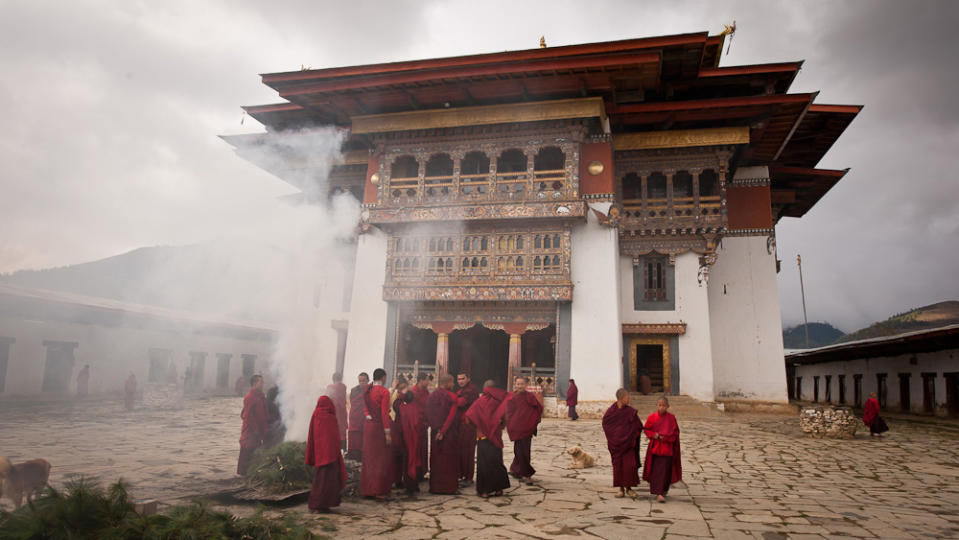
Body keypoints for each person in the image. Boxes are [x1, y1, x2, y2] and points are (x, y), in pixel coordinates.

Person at [465, 379, 511, 498]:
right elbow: (505, 417)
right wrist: (501, 427)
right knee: (496, 462)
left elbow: (468, 418)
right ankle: (498, 489)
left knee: (484, 463)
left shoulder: (479, 402)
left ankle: (484, 491)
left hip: (482, 436)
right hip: (495, 436)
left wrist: (477, 426)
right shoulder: (500, 402)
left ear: (485, 389)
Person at [305, 395, 346, 512]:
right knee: (328, 481)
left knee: (319, 481)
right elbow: (334, 436)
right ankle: (322, 505)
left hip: (320, 453)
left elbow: (312, 434)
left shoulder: (315, 415)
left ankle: (316, 504)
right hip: (330, 455)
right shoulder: (330, 417)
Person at [602, 388, 642, 499]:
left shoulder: (630, 411)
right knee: (618, 466)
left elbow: (638, 425)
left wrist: (632, 435)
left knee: (630, 466)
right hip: (616, 445)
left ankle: (629, 488)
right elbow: (606, 424)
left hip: (628, 444)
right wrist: (614, 438)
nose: (629, 399)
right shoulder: (611, 411)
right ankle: (620, 489)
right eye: (627, 397)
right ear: (621, 398)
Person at [360, 368, 393, 499]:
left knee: (369, 458)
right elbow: (384, 414)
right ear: (383, 378)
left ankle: (367, 490)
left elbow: (365, 408)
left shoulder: (367, 390)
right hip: (379, 428)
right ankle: (378, 490)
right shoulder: (384, 392)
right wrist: (387, 433)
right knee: (380, 459)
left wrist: (368, 416)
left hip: (368, 427)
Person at [642, 396, 682, 503]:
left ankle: (663, 490)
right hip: (655, 449)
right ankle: (658, 493)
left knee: (665, 472)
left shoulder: (671, 418)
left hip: (667, 449)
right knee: (656, 472)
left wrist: (665, 437)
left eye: (663, 405)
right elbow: (646, 429)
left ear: (668, 406)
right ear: (657, 406)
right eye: (659, 405)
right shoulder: (652, 417)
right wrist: (653, 435)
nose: (661, 408)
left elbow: (675, 433)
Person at [427, 373, 460, 494]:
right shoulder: (452, 396)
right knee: (449, 459)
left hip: (435, 431)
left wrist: (435, 429)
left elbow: (429, 414)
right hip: (448, 432)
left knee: (436, 459)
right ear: (447, 383)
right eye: (452, 382)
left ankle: (435, 487)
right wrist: (443, 431)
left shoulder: (432, 396)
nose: (453, 384)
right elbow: (451, 417)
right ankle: (449, 488)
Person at [506, 376, 543, 485]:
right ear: (515, 384)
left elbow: (538, 408)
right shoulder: (512, 397)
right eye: (518, 384)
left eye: (522, 384)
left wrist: (533, 421)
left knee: (524, 452)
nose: (520, 386)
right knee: (518, 450)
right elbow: (509, 412)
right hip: (517, 428)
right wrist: (510, 425)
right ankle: (516, 470)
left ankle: (527, 475)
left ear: (526, 385)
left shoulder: (530, 396)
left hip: (526, 428)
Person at [391, 377, 420, 494]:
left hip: (404, 436)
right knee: (410, 459)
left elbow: (395, 406)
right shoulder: (410, 407)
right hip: (409, 437)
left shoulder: (402, 406)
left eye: (403, 388)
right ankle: (408, 483)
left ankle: (409, 485)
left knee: (407, 460)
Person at [237, 374, 268, 476]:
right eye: (261, 382)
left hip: (259, 432)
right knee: (247, 457)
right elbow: (247, 416)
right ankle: (244, 478)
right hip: (251, 433)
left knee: (256, 458)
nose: (263, 384)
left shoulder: (261, 396)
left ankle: (253, 476)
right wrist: (255, 430)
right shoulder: (250, 397)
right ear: (255, 383)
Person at [456, 372, 480, 486]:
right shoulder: (462, 390)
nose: (460, 381)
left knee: (468, 451)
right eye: (458, 379)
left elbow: (460, 403)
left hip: (469, 424)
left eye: (462, 378)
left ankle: (469, 477)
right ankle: (462, 475)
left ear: (468, 379)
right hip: (461, 424)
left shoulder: (471, 390)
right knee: (461, 450)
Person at [411, 372, 431, 481]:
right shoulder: (414, 392)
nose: (429, 382)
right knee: (417, 449)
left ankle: (422, 472)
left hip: (424, 424)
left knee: (423, 449)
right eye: (427, 380)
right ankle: (416, 473)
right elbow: (414, 409)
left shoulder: (425, 391)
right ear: (421, 380)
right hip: (417, 424)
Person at [347, 372, 369, 461]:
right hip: (355, 418)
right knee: (353, 439)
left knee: (363, 439)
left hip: (364, 419)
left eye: (364, 381)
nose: (361, 383)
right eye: (360, 381)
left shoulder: (370, 390)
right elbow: (353, 402)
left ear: (368, 380)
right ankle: (353, 457)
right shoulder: (353, 390)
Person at [326, 372, 348, 450]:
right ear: (341, 378)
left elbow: (327, 399)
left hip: (333, 411)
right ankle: (343, 450)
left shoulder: (330, 387)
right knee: (342, 432)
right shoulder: (343, 386)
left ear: (333, 379)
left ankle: (333, 449)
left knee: (333, 430)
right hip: (342, 411)